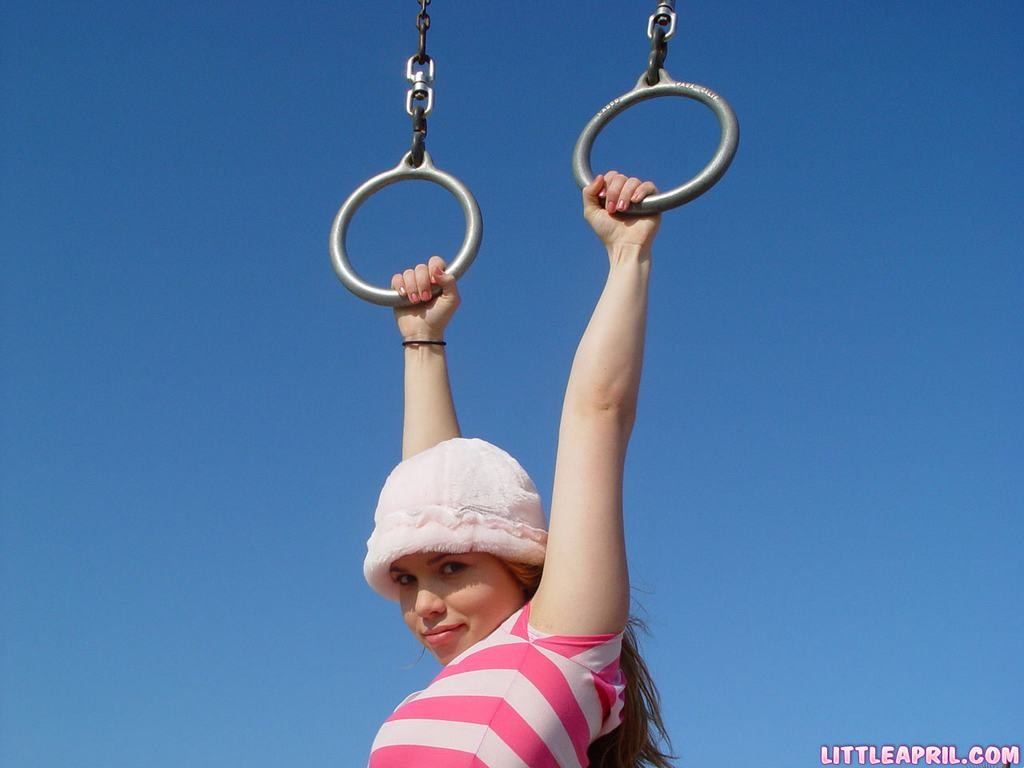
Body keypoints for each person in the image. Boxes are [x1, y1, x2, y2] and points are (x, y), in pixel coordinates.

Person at [364, 172, 674, 767]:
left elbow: (598, 417)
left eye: (452, 567)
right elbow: (431, 490)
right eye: (405, 580)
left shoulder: (559, 650)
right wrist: (422, 343)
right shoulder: (444, 695)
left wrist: (628, 253)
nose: (425, 602)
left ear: (520, 565)